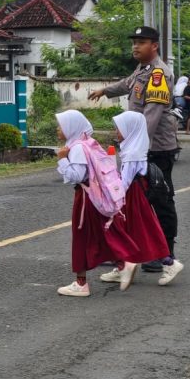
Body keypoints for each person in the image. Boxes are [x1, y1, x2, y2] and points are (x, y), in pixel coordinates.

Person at [89, 26, 181, 281]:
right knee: (133, 202)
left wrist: (136, 148)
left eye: (141, 42)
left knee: (160, 200)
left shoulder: (159, 74)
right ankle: (131, 256)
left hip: (156, 148)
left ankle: (165, 254)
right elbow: (126, 84)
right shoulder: (142, 70)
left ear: (155, 46)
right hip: (139, 147)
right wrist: (104, 91)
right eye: (134, 42)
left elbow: (151, 115)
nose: (135, 46)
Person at [54, 110, 142, 298]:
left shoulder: (77, 148)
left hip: (86, 197)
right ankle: (120, 264)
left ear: (71, 127)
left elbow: (76, 176)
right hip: (96, 197)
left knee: (81, 236)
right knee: (99, 233)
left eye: (60, 126)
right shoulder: (89, 143)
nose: (57, 129)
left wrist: (62, 160)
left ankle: (83, 283)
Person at [100, 112, 179, 286]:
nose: (116, 132)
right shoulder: (133, 147)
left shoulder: (132, 153)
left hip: (134, 198)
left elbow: (125, 182)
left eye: (119, 128)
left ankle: (170, 263)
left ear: (130, 129)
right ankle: (122, 266)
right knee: (128, 231)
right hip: (134, 197)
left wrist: (109, 192)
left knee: (143, 233)